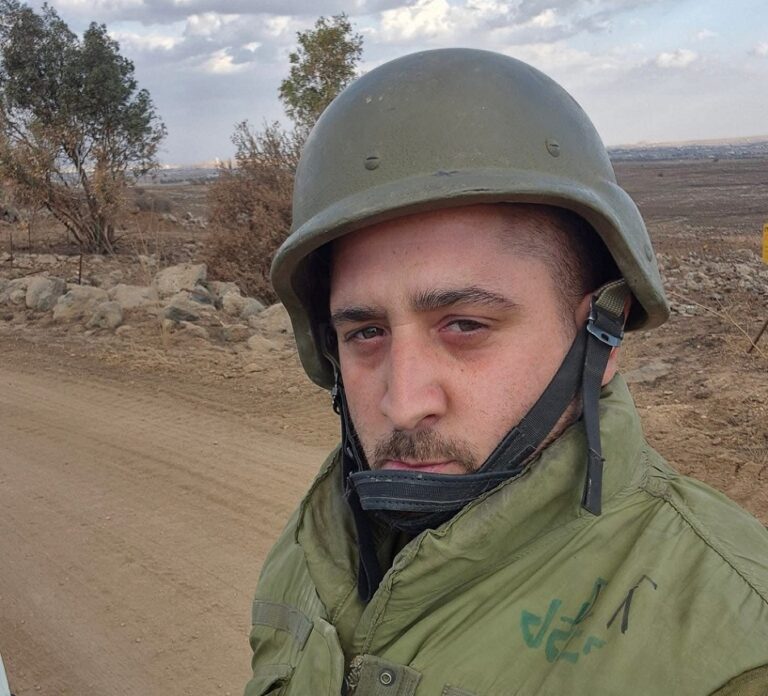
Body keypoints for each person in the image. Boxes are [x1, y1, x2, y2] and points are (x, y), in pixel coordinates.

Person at [244, 49, 768, 696]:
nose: (403, 403)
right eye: (367, 333)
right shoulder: (314, 545)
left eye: (465, 326)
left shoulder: (733, 651)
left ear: (602, 338)